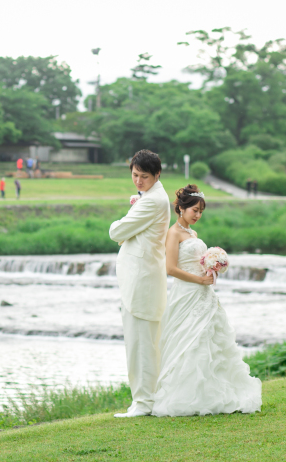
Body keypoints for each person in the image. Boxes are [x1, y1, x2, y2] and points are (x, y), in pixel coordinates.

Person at [152, 185, 262, 417]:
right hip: (186, 293)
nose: (198, 215)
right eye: (194, 210)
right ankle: (186, 396)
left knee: (210, 340)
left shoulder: (193, 234)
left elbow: (195, 261)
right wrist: (198, 280)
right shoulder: (174, 233)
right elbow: (170, 268)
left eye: (201, 211)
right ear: (181, 208)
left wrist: (211, 267)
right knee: (189, 340)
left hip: (204, 294)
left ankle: (213, 392)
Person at [108, 150, 170, 418]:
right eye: (135, 175)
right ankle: (145, 400)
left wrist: (125, 217)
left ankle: (143, 402)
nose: (138, 181)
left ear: (157, 175)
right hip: (142, 279)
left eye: (144, 176)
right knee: (143, 342)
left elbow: (117, 231)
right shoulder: (152, 197)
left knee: (141, 344)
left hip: (142, 282)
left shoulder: (152, 201)